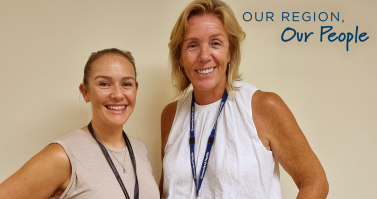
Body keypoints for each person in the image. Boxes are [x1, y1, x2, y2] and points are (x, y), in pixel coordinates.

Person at [160, 0, 329, 198]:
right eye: (192, 45)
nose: (204, 55)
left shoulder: (263, 106)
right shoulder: (170, 115)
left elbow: (314, 182)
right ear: (180, 56)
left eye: (215, 43)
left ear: (230, 51)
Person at [0, 48, 159, 199]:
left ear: (135, 89)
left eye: (126, 84)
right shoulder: (63, 155)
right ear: (85, 92)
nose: (117, 94)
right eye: (104, 84)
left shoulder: (140, 148)